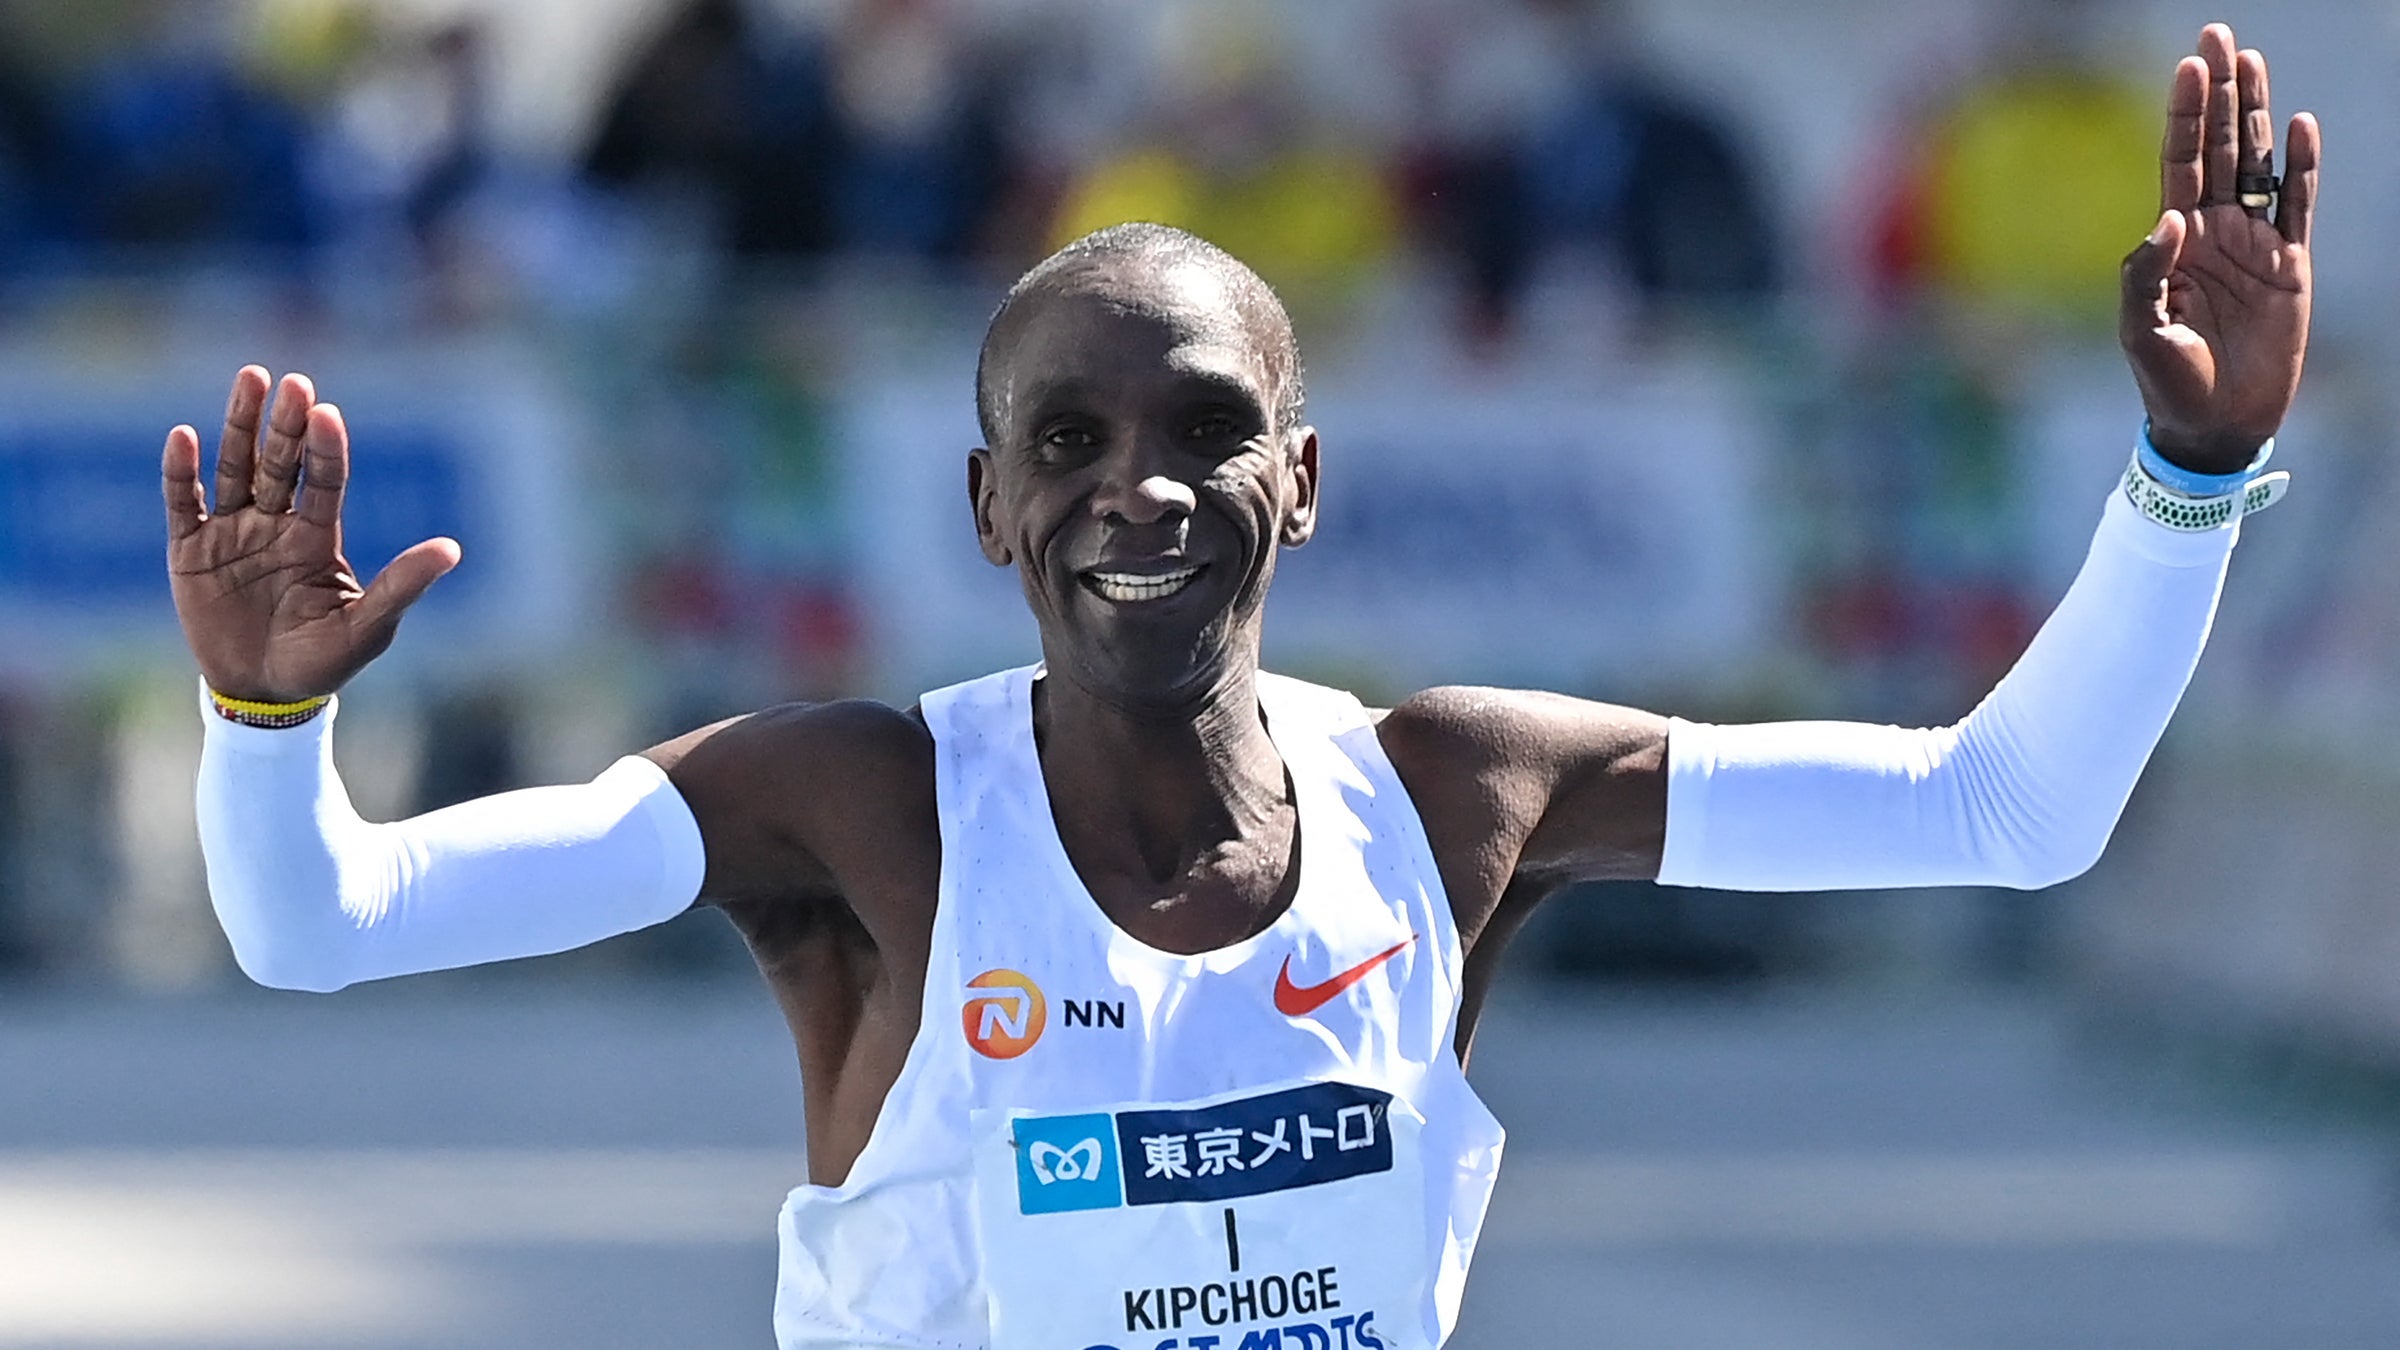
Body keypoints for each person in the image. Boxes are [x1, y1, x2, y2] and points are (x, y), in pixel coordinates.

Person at [161, 25, 2316, 1349]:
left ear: (1303, 483)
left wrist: (2191, 475)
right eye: (1070, 444)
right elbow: (317, 922)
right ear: (989, 507)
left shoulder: (1457, 797)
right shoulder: (857, 805)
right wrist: (268, 726)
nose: (1142, 489)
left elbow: (2003, 811)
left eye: (1206, 431)